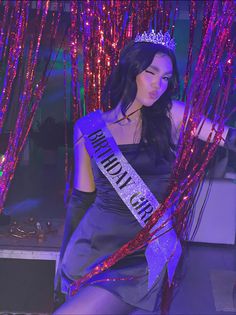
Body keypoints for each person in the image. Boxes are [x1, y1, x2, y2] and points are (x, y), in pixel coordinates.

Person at [54, 30, 235, 315]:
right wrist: (63, 253)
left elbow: (225, 136)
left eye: (165, 78)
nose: (157, 85)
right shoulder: (88, 127)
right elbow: (81, 198)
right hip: (91, 248)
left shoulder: (171, 116)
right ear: (131, 70)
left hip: (144, 252)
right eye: (150, 73)